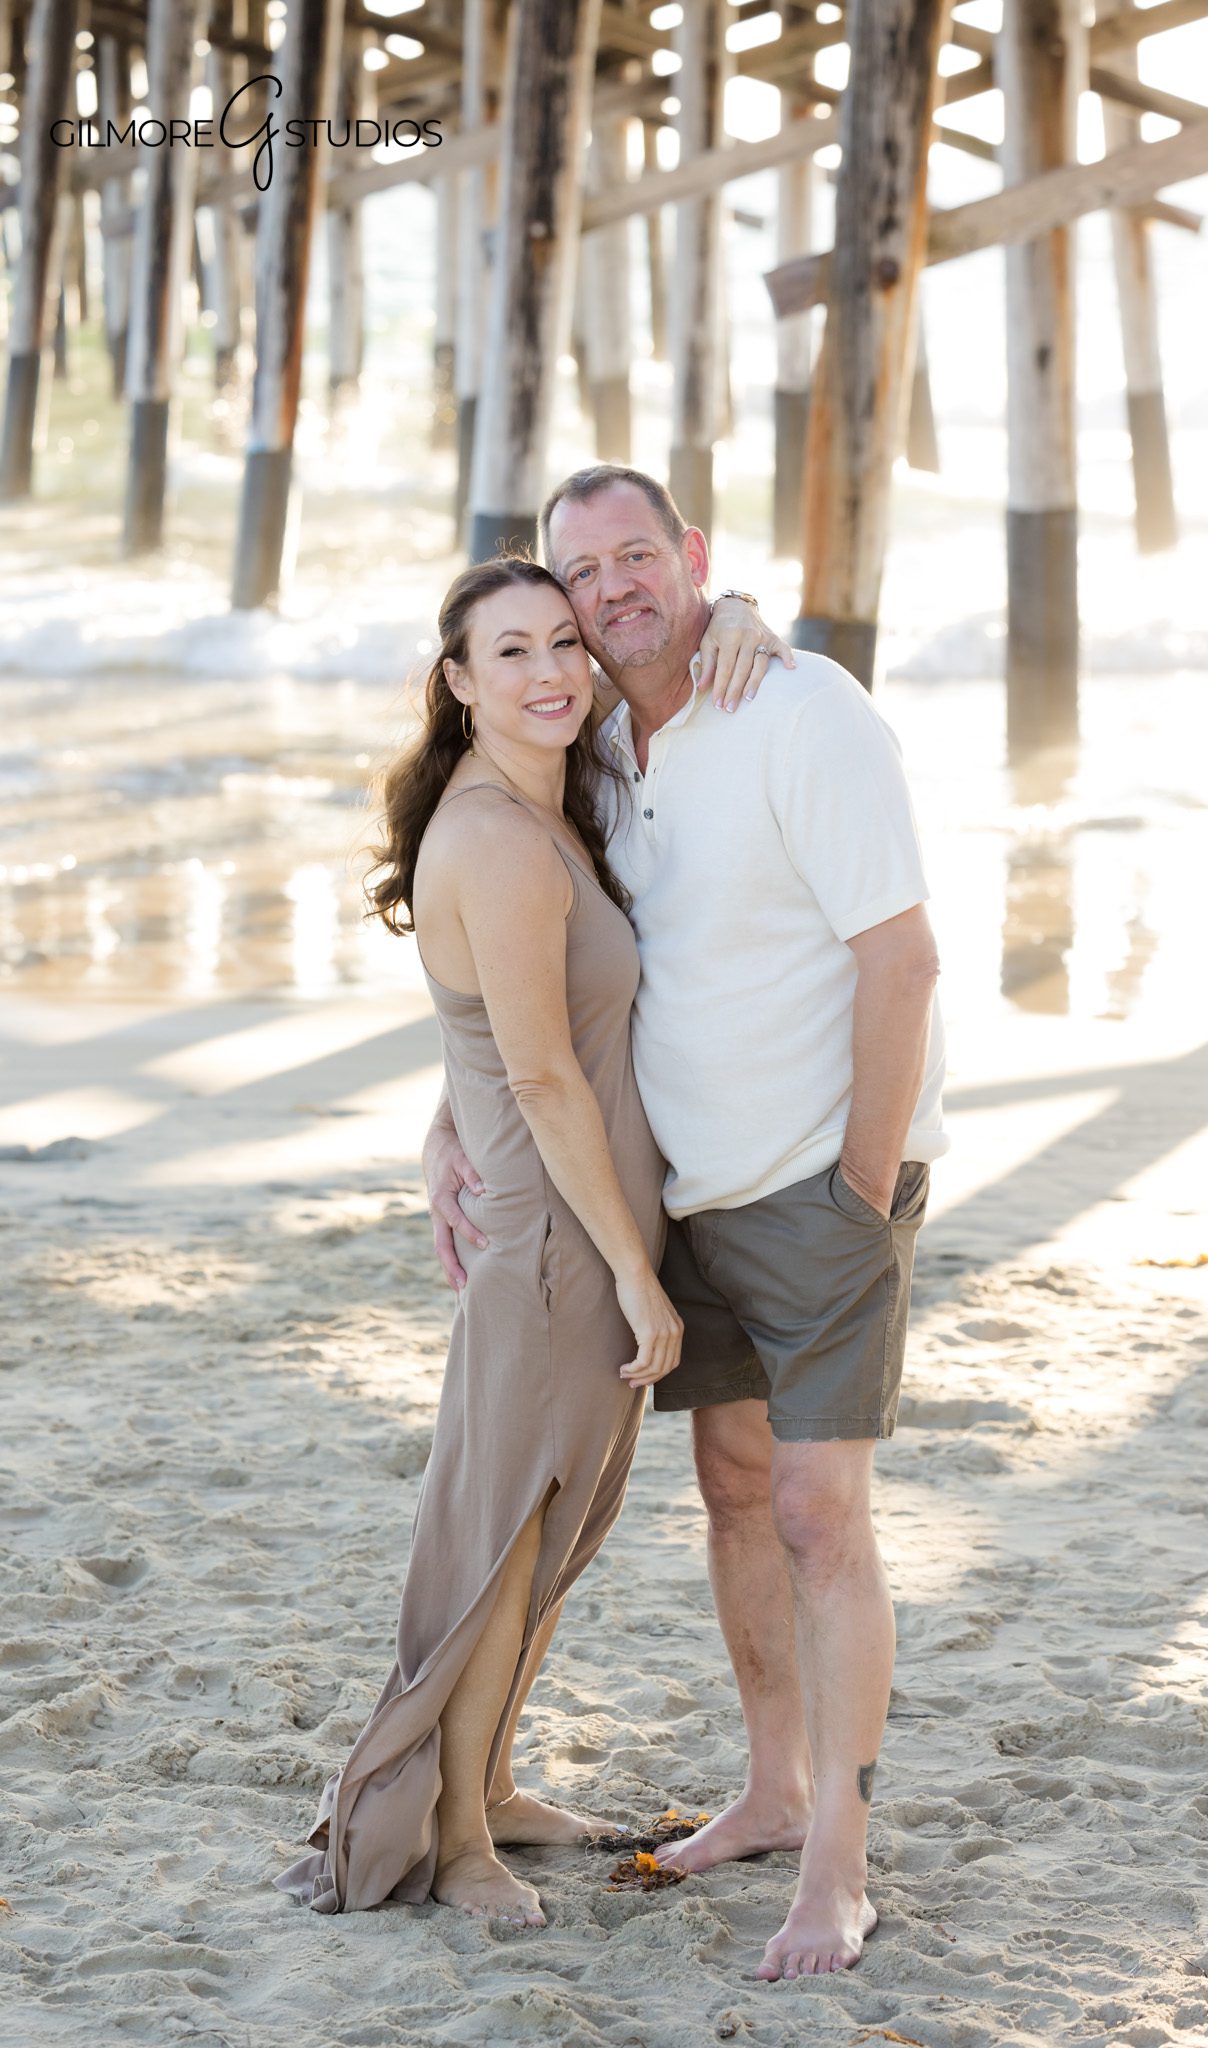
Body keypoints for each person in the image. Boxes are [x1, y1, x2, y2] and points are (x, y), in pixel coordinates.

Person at [424, 464, 947, 1980]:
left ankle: (836, 1866)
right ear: (563, 604)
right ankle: (773, 1792)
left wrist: (858, 1185)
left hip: (812, 1187)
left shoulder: (802, 711)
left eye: (640, 557)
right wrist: (446, 1112)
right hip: (676, 1199)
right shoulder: (591, 748)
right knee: (730, 1494)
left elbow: (902, 962)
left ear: (694, 559)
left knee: (816, 1518)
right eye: (583, 573)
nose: (615, 589)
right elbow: (541, 967)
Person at [274, 557, 787, 1922]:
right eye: (510, 653)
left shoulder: (544, 806)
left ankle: (487, 1783)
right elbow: (544, 1076)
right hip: (560, 1248)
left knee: (555, 1524)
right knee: (509, 1534)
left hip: (579, 1224)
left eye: (564, 641)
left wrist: (730, 609)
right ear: (456, 683)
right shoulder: (497, 837)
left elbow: (492, 1048)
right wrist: (630, 1269)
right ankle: (449, 1845)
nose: (553, 670)